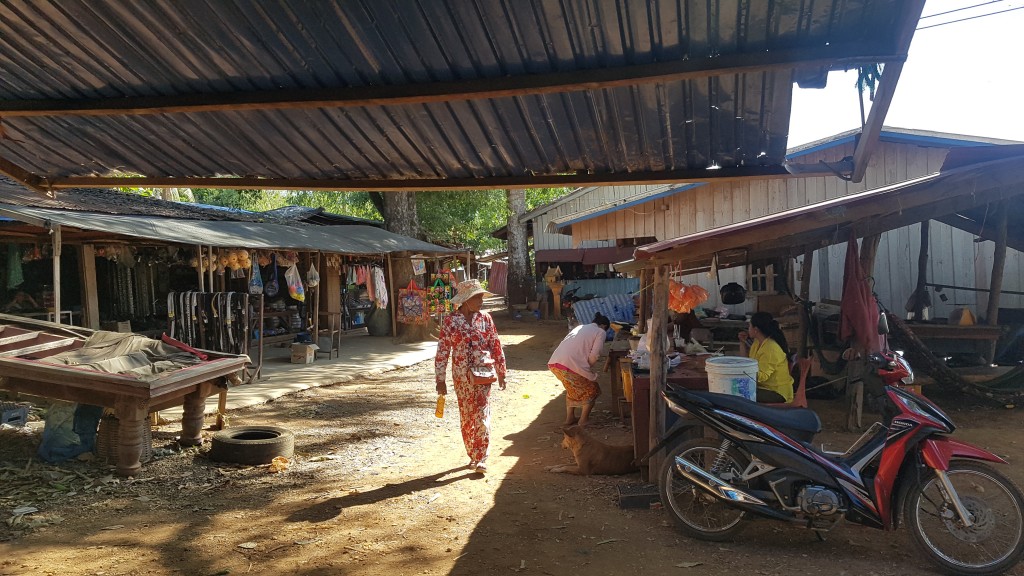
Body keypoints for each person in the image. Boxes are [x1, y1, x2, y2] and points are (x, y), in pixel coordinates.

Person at [435, 279, 507, 474]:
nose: (481, 301)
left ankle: (482, 457)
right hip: (461, 377)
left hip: (483, 374)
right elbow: (443, 351)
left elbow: (495, 345)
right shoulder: (451, 321)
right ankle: (472, 455)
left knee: (482, 414)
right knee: (467, 416)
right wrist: (440, 379)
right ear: (465, 300)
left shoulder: (485, 319)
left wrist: (502, 371)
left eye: (481, 297)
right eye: (477, 297)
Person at [548, 312, 611, 427]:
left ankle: (570, 418)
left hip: (555, 363)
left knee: (572, 389)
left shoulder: (580, 327)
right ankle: (583, 420)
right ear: (603, 326)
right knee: (592, 389)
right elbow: (594, 355)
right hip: (570, 365)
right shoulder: (600, 332)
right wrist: (588, 369)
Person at [738, 311, 794, 403]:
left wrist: (739, 372)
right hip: (764, 387)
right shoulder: (757, 343)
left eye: (749, 326)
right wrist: (742, 342)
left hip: (776, 392)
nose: (748, 329)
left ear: (755, 329)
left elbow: (762, 377)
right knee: (735, 387)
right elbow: (747, 362)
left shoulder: (770, 348)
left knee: (737, 391)